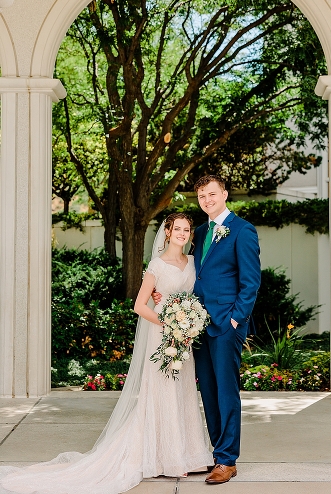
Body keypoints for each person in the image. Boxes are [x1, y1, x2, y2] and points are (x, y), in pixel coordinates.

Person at [0, 213, 213, 494]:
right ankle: (167, 458)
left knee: (184, 390)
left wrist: (188, 323)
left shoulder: (193, 263)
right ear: (168, 232)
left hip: (183, 335)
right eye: (178, 229)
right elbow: (140, 305)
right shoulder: (157, 265)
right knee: (162, 391)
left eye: (187, 230)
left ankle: (190, 453)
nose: (183, 234)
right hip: (162, 333)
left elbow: (193, 295)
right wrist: (169, 323)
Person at [154, 174, 261, 485]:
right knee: (209, 392)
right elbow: (187, 273)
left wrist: (234, 320)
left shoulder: (242, 230)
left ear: (224, 194)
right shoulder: (199, 232)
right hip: (198, 326)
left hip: (227, 324)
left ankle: (228, 460)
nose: (207, 200)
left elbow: (251, 282)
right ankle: (217, 454)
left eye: (212, 194)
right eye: (202, 196)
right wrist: (163, 294)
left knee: (227, 392)